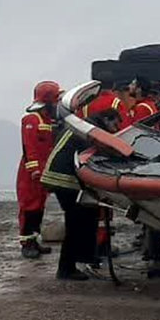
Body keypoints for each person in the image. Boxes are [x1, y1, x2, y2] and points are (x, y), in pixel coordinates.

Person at [41, 94, 123, 280]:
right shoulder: (91, 132)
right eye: (115, 125)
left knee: (86, 215)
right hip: (64, 179)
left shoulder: (83, 125)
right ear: (106, 119)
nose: (115, 130)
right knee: (76, 222)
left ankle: (84, 257)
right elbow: (92, 160)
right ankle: (66, 268)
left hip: (59, 176)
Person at [16, 80, 60, 259]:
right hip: (31, 173)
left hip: (44, 170)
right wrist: (34, 170)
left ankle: (34, 240)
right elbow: (29, 148)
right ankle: (27, 243)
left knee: (39, 207)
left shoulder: (48, 120)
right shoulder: (31, 120)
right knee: (29, 207)